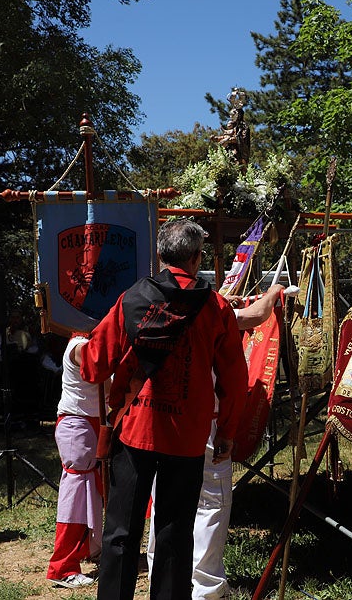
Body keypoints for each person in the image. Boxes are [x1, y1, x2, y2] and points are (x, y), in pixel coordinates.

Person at [81, 219, 248, 600]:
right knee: (174, 533)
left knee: (121, 532)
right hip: (188, 436)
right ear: (195, 258)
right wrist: (227, 432)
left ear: (160, 255)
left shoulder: (133, 297)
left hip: (137, 429)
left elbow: (93, 365)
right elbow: (234, 378)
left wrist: (80, 346)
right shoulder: (216, 306)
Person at [145, 283, 286, 599]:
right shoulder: (209, 310)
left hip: (160, 420)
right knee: (211, 501)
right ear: (195, 259)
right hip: (201, 422)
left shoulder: (147, 302)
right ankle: (205, 588)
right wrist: (274, 292)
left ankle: (162, 578)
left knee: (164, 501)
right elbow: (255, 315)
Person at [46, 333, 103, 589]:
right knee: (77, 496)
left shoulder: (88, 344)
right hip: (78, 423)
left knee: (93, 492)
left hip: (89, 422)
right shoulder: (80, 346)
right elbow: (100, 370)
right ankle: (63, 566)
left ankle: (89, 549)